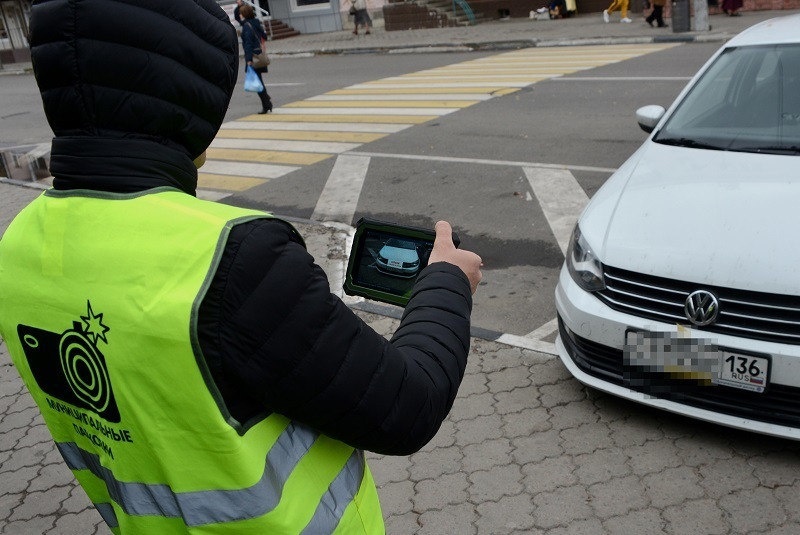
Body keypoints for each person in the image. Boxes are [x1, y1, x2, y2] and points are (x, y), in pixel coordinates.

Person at [0, 0, 482, 533]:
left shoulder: (16, 247)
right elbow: (406, 405)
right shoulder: (231, 257)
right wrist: (447, 282)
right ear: (189, 97)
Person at [240, 4, 272, 114]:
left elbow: (248, 44)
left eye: (241, 13)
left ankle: (267, 104)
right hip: (259, 55)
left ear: (244, 14)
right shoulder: (256, 22)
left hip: (254, 57)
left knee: (258, 84)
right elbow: (264, 35)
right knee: (259, 81)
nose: (240, 15)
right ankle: (267, 101)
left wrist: (249, 60)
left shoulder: (246, 26)